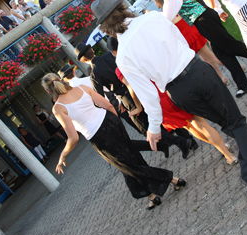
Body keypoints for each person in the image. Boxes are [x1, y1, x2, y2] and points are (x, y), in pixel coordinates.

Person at [91, 0, 247, 196]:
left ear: (105, 28)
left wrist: (154, 127)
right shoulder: (153, 17)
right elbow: (181, 41)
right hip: (197, 71)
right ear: (122, 8)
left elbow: (148, 94)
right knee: (235, 123)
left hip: (178, 92)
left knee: (230, 124)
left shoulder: (122, 56)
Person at [43, 73, 186, 210]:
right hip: (111, 122)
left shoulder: (58, 108)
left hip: (99, 137)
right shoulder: (82, 88)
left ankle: (172, 179)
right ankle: (151, 195)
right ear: (59, 79)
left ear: (48, 91)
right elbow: (109, 105)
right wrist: (116, 123)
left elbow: (73, 138)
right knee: (131, 159)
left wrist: (62, 155)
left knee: (128, 166)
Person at [108, 38, 236, 165]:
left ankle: (224, 150)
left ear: (114, 52)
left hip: (158, 101)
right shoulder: (140, 51)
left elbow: (132, 89)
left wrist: (138, 106)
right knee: (199, 123)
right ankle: (225, 151)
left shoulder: (121, 67)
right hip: (167, 89)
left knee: (191, 126)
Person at [146, 0, 247, 98]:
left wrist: (152, 16)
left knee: (231, 46)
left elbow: (168, 16)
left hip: (202, 19)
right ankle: (242, 84)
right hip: (206, 15)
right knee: (221, 53)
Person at [152, 0, 229, 86]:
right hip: (190, 36)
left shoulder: (166, 13)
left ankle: (236, 66)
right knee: (206, 59)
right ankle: (221, 77)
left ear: (159, 1)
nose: (155, 4)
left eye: (155, 2)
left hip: (191, 36)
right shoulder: (169, 9)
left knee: (212, 58)